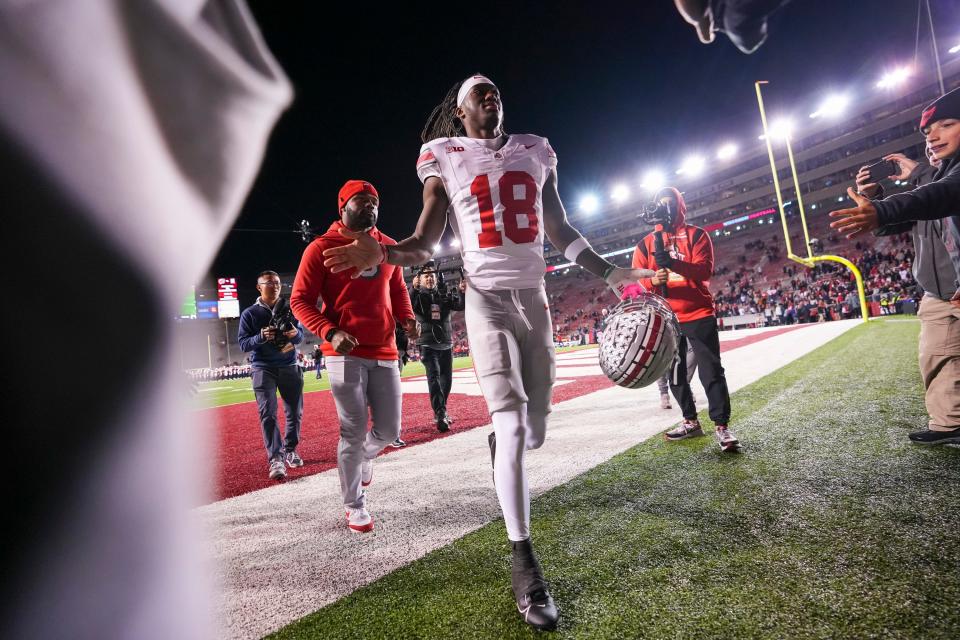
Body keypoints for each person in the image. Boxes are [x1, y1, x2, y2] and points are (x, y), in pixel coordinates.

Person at [320, 74, 651, 631]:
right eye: (479, 92)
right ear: (460, 110)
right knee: (517, 427)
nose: (490, 95)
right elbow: (426, 242)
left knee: (534, 428)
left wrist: (611, 271)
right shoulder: (443, 155)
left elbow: (559, 227)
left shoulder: (536, 148)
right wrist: (380, 251)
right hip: (487, 299)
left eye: (496, 89)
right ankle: (524, 561)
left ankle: (506, 440)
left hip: (537, 298)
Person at [290, 179, 417, 533]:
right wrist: (330, 331)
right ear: (342, 207)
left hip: (385, 349)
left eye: (374, 202)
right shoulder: (321, 247)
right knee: (352, 429)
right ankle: (354, 505)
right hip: (343, 351)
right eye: (361, 201)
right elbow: (298, 300)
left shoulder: (389, 247)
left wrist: (406, 317)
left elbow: (398, 287)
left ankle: (367, 454)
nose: (370, 207)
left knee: (390, 429)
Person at [835, 89, 960, 445]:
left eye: (947, 125)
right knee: (938, 359)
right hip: (939, 292)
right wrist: (875, 202)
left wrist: (911, 181)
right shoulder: (935, 177)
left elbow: (943, 194)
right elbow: (900, 221)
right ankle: (949, 424)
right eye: (927, 132)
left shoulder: (939, 181)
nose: (933, 137)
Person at [624, 187, 740, 452]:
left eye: (670, 204)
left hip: (698, 313)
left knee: (711, 372)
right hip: (667, 317)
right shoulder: (645, 244)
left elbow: (704, 270)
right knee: (675, 374)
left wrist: (673, 264)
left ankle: (722, 426)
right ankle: (690, 421)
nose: (665, 209)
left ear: (680, 206)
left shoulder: (697, 235)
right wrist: (652, 280)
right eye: (660, 204)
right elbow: (633, 283)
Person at [238, 271, 305, 480]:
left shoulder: (290, 309)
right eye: (269, 283)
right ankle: (275, 457)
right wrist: (260, 336)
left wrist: (295, 334)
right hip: (262, 367)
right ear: (259, 287)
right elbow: (242, 344)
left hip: (289, 365)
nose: (275, 286)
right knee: (268, 413)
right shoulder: (250, 314)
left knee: (294, 413)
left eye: (277, 283)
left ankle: (290, 449)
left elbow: (300, 337)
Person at [411, 261, 467, 432]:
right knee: (434, 378)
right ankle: (441, 413)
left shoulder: (443, 294)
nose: (430, 279)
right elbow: (412, 306)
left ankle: (441, 410)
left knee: (446, 380)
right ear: (419, 280)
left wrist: (462, 292)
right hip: (427, 344)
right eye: (426, 276)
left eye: (432, 276)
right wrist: (413, 289)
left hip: (446, 343)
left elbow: (460, 305)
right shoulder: (418, 296)